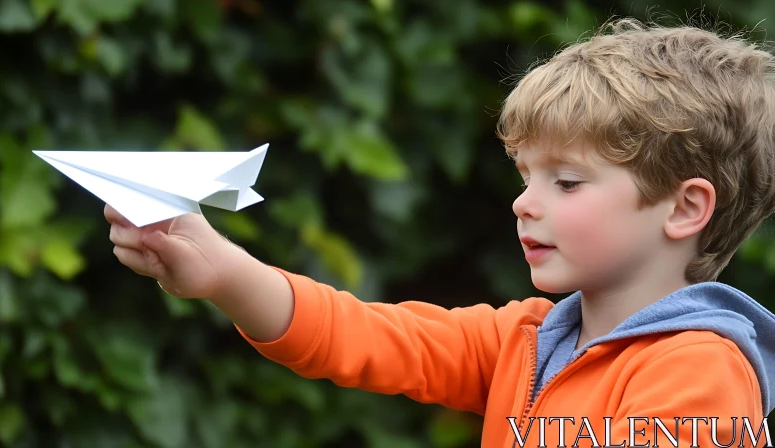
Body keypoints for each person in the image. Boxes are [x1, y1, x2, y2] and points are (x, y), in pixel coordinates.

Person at [105, 18, 775, 447]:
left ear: (685, 209)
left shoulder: (699, 370)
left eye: (566, 182)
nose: (524, 204)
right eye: (525, 175)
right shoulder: (526, 340)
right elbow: (360, 336)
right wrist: (218, 269)